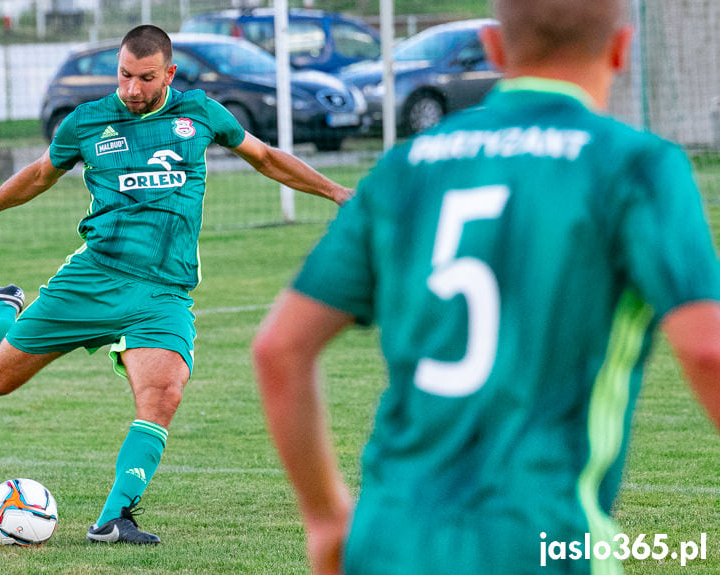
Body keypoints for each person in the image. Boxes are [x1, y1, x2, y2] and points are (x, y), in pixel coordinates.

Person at [252, 1, 720, 573]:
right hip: (543, 540)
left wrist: (326, 517)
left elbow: (280, 348)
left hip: (389, 538)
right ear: (621, 50)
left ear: (495, 49)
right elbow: (707, 350)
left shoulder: (405, 168)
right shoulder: (635, 165)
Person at [0, 24, 352, 545]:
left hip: (163, 292)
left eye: (145, 78)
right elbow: (39, 174)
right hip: (92, 280)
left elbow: (267, 157)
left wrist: (337, 192)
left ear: (169, 74)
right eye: (125, 76)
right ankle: (0, 310)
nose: (132, 89)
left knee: (163, 394)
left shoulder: (199, 113)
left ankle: (113, 519)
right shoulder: (87, 122)